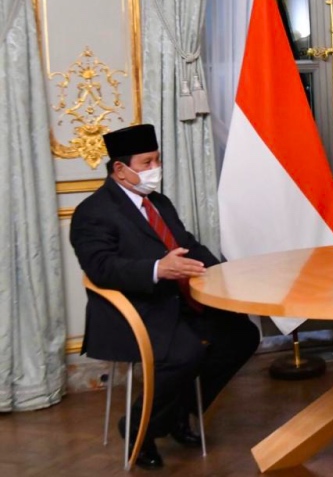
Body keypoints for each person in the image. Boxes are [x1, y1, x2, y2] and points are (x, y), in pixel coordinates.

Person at [70, 124, 260, 469]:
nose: (155, 168)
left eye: (157, 159)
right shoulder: (92, 212)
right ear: (120, 169)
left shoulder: (158, 202)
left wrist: (219, 273)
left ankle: (180, 414)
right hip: (134, 309)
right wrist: (157, 269)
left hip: (177, 300)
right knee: (185, 353)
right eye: (147, 162)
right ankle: (139, 431)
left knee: (242, 335)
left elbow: (187, 244)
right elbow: (101, 267)